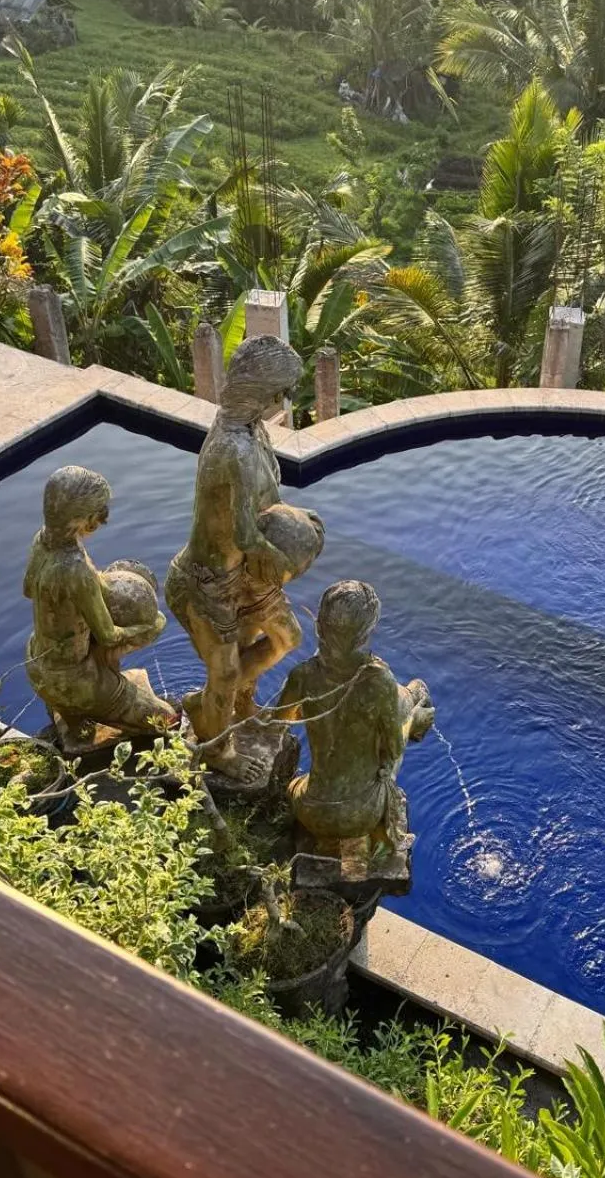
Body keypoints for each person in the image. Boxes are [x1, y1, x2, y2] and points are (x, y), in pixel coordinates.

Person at [166, 335, 314, 783]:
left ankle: (215, 703)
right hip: (206, 581)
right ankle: (217, 747)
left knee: (287, 638)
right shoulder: (231, 447)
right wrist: (294, 556)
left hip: (246, 575)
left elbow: (269, 504)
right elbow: (247, 532)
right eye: (280, 390)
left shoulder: (254, 430)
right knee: (226, 670)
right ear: (258, 389)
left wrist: (296, 530)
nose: (284, 400)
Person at [276, 580, 433, 861]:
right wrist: (408, 721)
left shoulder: (302, 675)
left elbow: (279, 722)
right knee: (389, 761)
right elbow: (394, 749)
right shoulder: (378, 681)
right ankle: (363, 852)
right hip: (361, 816)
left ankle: (325, 845)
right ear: (366, 633)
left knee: (300, 784)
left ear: (320, 625)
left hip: (310, 809)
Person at [24, 466, 176, 749]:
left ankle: (74, 721)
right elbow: (108, 636)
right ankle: (83, 707)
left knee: (92, 649)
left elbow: (27, 589)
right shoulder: (75, 569)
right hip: (74, 681)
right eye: (98, 511)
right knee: (167, 718)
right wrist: (151, 625)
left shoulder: (41, 541)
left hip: (38, 663)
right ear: (82, 517)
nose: (102, 518)